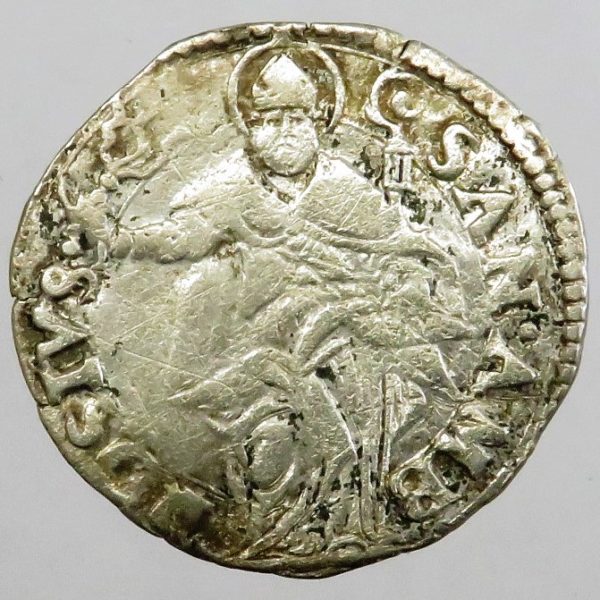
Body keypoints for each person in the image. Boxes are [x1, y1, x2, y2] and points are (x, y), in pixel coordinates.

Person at [72, 51, 476, 553]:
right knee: (276, 450)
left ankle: (344, 522)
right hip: (254, 352)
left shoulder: (349, 191)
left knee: (366, 426)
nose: (283, 131)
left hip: (345, 344)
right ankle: (277, 528)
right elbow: (180, 239)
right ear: (249, 127)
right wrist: (113, 237)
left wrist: (416, 276)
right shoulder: (225, 191)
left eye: (294, 118)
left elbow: (396, 247)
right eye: (269, 120)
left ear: (318, 123)